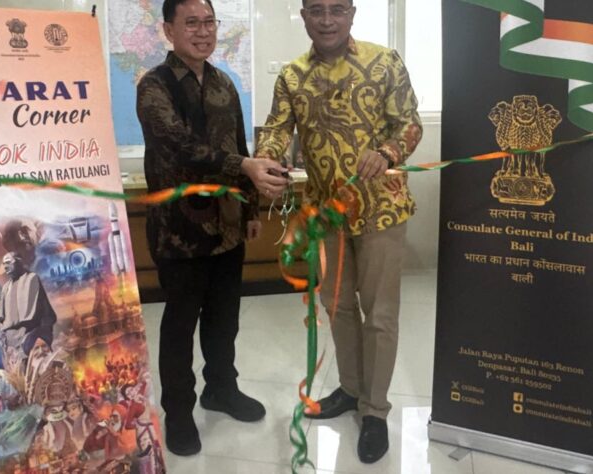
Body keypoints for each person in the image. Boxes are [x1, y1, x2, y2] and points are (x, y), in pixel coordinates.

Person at [255, 0, 423, 464]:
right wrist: (268, 158)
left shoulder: (384, 62)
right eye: (316, 11)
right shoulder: (292, 76)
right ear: (304, 16)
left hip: (382, 209)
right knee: (338, 307)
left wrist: (387, 152)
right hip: (326, 213)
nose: (326, 20)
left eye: (336, 10)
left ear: (352, 13)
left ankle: (375, 410)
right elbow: (276, 129)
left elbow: (409, 124)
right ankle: (350, 389)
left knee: (380, 315)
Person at [136, 0, 290, 456]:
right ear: (169, 30)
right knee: (181, 324)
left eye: (209, 22)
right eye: (191, 23)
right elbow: (179, 145)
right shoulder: (154, 86)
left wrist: (251, 210)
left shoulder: (225, 83)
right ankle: (179, 413)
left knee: (224, 320)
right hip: (178, 232)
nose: (203, 32)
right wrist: (242, 165)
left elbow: (239, 145)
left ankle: (221, 389)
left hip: (227, 229)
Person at [0, 251, 58, 372]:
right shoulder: (6, 287)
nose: (5, 267)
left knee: (41, 371)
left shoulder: (31, 279)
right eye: (4, 264)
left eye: (8, 262)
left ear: (18, 262)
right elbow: (1, 316)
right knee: (21, 374)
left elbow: (33, 314)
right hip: (12, 342)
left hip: (31, 336)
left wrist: (39, 336)